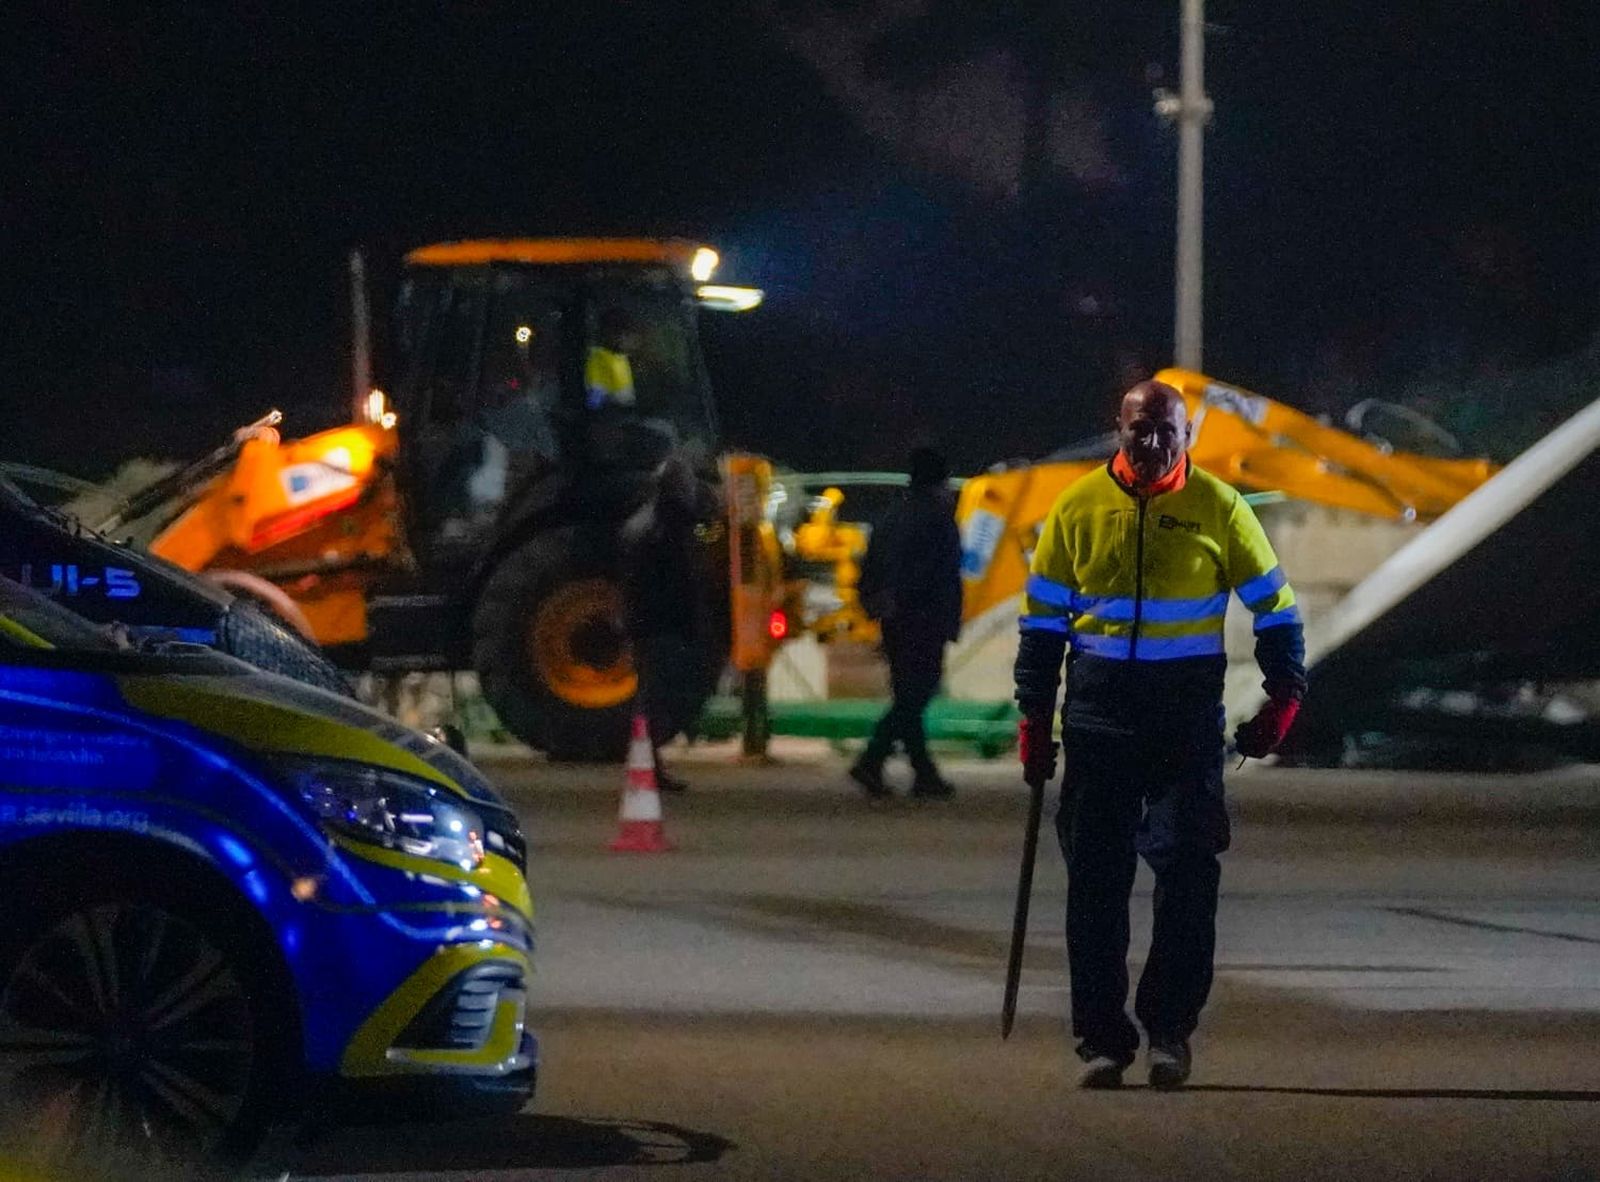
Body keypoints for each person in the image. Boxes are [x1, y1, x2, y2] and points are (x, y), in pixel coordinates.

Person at [1012, 379, 1306, 1090]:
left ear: (1189, 438)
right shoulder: (1076, 508)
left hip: (1184, 723)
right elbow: (1043, 624)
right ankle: (1102, 1039)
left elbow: (1276, 610)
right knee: (1096, 884)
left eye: (1166, 432)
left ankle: (1169, 1028)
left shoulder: (1221, 509)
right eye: (1139, 430)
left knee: (1189, 876)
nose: (1152, 445)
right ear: (1118, 429)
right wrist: (1033, 716)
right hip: (1099, 719)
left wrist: (1284, 694)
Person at [849, 446, 964, 799]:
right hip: (924, 618)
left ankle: (919, 771)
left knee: (908, 694)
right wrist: (948, 619)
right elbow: (943, 575)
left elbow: (869, 569)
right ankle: (876, 759)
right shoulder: (936, 518)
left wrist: (876, 605)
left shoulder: (892, 516)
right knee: (916, 693)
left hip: (896, 618)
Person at [620, 454, 716, 792]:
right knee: (658, 697)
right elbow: (678, 582)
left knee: (653, 696)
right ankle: (647, 765)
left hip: (651, 623)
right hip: (662, 625)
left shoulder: (645, 522)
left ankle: (649, 764)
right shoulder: (667, 528)